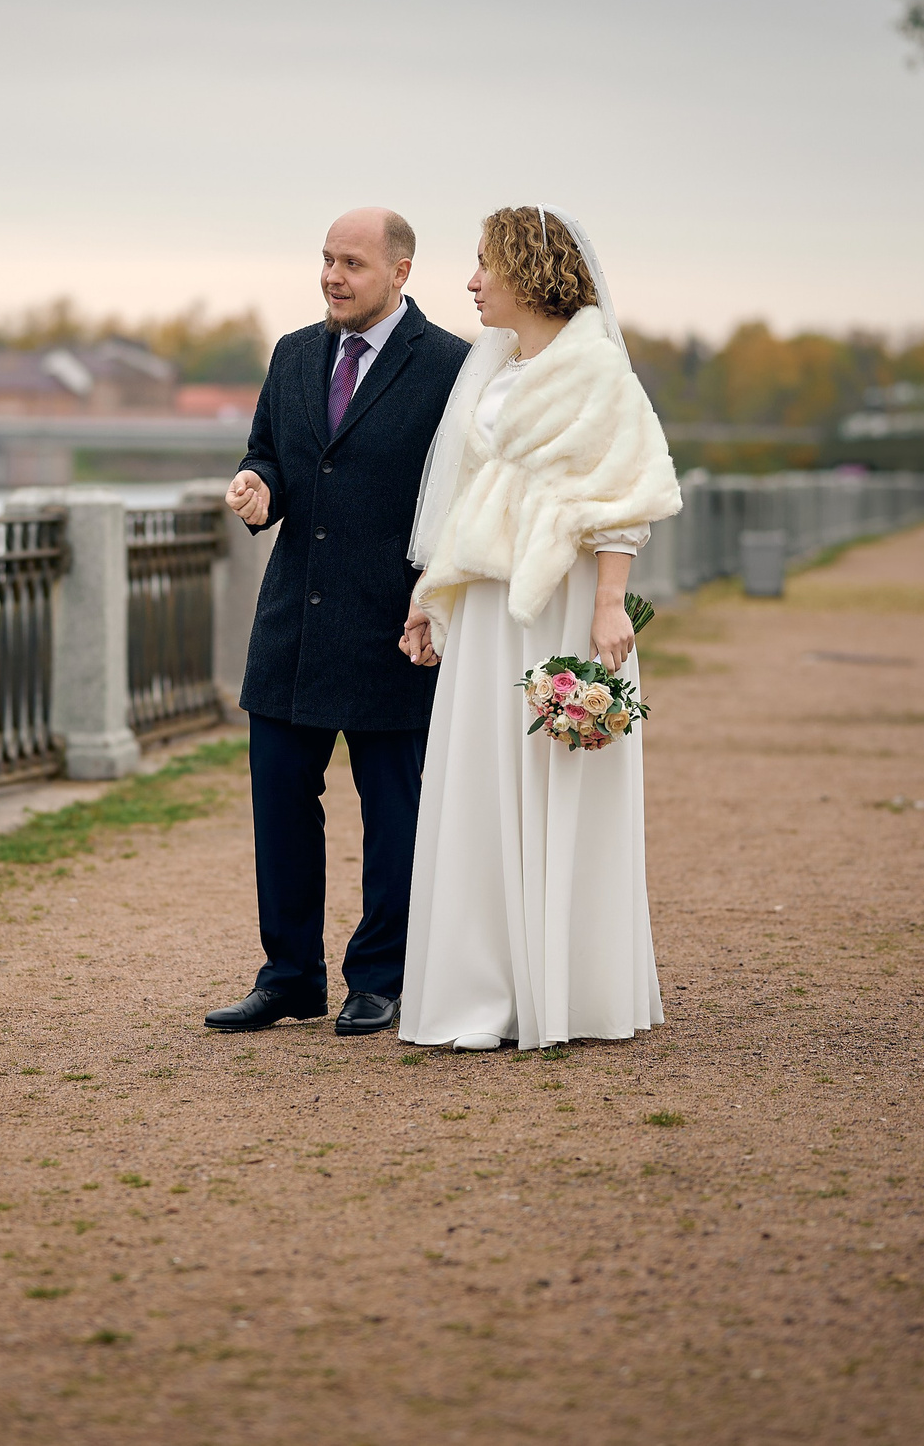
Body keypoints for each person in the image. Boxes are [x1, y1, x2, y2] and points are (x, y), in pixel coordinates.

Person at [395, 206, 681, 1051]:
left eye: (485, 264)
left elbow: (623, 492)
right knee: (482, 781)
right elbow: (469, 502)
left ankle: (566, 991)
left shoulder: (598, 371)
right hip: (487, 603)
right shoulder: (495, 371)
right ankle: (483, 988)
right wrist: (430, 597)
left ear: (526, 269)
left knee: (553, 779)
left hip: (558, 601)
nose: (473, 281)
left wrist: (606, 605)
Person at [205, 207, 473, 1036]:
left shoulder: (453, 368)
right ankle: (288, 976)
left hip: (396, 627)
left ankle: (380, 978)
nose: (332, 275)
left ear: (399, 271)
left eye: (351, 262)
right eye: (326, 259)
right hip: (291, 625)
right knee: (280, 800)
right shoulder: (291, 354)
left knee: (393, 810)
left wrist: (435, 596)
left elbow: (465, 495)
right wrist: (258, 488)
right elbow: (270, 454)